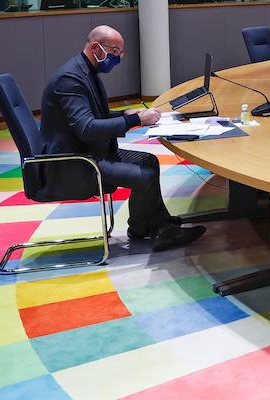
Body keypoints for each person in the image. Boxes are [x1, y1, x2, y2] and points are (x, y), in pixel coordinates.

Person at [40, 25, 205, 252]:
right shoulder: (70, 80)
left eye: (120, 53)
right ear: (95, 47)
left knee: (149, 161)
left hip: (92, 151)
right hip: (77, 162)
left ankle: (150, 226)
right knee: (144, 176)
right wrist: (136, 121)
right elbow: (86, 128)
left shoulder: (86, 70)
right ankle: (153, 229)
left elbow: (92, 117)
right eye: (114, 52)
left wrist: (125, 114)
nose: (117, 58)